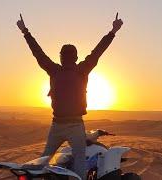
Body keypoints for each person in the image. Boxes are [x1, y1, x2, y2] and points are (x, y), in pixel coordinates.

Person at [16, 13, 123, 180]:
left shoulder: (54, 70)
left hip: (56, 125)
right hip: (75, 125)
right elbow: (98, 51)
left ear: (60, 56)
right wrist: (113, 31)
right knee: (79, 160)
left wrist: (25, 31)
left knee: (45, 158)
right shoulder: (82, 70)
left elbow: (38, 53)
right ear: (76, 57)